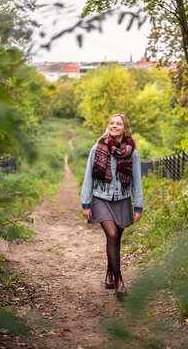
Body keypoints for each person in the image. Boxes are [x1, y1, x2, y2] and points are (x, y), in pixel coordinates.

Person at [81, 113, 143, 296]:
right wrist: (86, 203)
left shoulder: (132, 152)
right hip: (101, 198)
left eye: (118, 124)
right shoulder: (97, 147)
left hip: (123, 200)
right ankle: (119, 279)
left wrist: (138, 207)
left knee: (115, 240)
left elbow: (136, 181)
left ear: (125, 128)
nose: (114, 126)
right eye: (111, 123)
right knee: (112, 234)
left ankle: (109, 270)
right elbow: (88, 177)